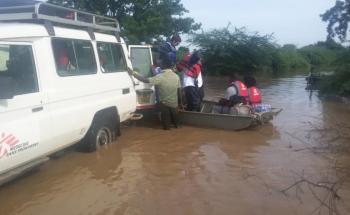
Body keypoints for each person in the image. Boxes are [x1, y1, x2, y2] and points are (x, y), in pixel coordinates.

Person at [128, 53, 181, 130]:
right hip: (174, 105)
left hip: (164, 105)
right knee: (178, 126)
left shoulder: (160, 77)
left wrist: (133, 73)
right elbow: (179, 92)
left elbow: (145, 80)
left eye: (161, 63)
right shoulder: (176, 76)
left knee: (166, 128)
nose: (159, 64)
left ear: (163, 66)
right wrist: (180, 103)